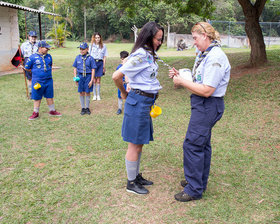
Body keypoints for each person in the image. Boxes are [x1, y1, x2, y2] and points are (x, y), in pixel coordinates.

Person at [169, 22, 231, 202]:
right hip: (203, 104)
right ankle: (197, 181)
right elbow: (199, 80)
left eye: (195, 38)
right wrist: (182, 77)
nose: (194, 42)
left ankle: (194, 189)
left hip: (207, 104)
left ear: (205, 35)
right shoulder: (206, 54)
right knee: (202, 144)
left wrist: (181, 82)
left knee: (193, 144)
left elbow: (206, 90)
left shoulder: (215, 57)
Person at [112, 21, 164, 195]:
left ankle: (135, 175)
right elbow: (116, 76)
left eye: (161, 39)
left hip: (145, 103)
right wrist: (125, 93)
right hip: (138, 102)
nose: (160, 42)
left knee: (139, 143)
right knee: (134, 144)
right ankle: (131, 183)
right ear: (149, 37)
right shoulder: (140, 55)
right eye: (158, 39)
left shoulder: (149, 54)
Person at [24, 41, 62, 120]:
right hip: (38, 81)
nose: (48, 49)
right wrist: (36, 73)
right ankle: (35, 112)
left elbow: (50, 65)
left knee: (49, 95)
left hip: (48, 80)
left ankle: (52, 110)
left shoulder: (49, 57)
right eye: (46, 48)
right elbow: (27, 68)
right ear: (40, 48)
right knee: (37, 97)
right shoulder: (32, 57)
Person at [73, 42, 97, 115]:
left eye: (83, 49)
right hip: (80, 76)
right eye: (80, 49)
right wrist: (75, 78)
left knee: (87, 92)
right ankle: (83, 107)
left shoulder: (90, 58)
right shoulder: (78, 57)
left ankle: (87, 107)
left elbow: (93, 69)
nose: (81, 51)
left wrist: (92, 80)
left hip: (88, 76)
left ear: (87, 49)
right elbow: (75, 68)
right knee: (81, 92)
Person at [89, 32, 108, 101]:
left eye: (98, 38)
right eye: (96, 38)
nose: (97, 39)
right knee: (94, 79)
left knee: (98, 80)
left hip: (100, 63)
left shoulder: (103, 46)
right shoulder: (91, 46)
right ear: (94, 38)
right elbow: (89, 56)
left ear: (100, 38)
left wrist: (103, 66)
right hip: (93, 63)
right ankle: (94, 95)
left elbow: (104, 56)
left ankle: (98, 95)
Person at [20, 31, 38, 98]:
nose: (33, 38)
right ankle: (31, 92)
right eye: (32, 36)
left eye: (35, 37)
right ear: (29, 37)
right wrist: (21, 64)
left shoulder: (38, 45)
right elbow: (20, 55)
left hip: (36, 62)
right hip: (27, 62)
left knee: (36, 77)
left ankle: (36, 91)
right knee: (29, 78)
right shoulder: (24, 45)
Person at [116, 50, 129, 115]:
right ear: (121, 58)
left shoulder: (130, 67)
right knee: (120, 96)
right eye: (123, 59)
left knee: (128, 96)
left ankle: (128, 108)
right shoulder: (119, 67)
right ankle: (119, 108)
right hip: (121, 84)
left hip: (128, 84)